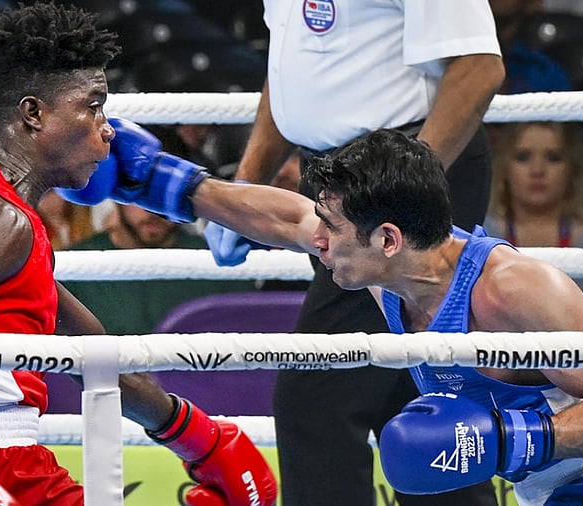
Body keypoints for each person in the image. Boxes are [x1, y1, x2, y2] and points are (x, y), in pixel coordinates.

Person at [88, 118, 583, 505]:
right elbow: (285, 217)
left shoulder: (514, 289)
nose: (316, 242)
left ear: (387, 238)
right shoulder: (387, 269)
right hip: (549, 493)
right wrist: (167, 184)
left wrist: (511, 440)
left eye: (332, 229)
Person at [0, 3, 277, 506]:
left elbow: (93, 356)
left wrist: (199, 437)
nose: (109, 129)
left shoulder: (12, 223)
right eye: (93, 105)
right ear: (33, 113)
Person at [203, 2, 506, 504]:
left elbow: (479, 65)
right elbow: (295, 74)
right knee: (419, 388)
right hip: (334, 175)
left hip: (410, 166)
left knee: (317, 398)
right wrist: (247, 183)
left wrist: (402, 188)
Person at [484, 121, 583, 293]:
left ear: (573, 169)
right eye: (523, 157)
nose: (537, 170)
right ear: (503, 167)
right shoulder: (479, 237)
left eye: (553, 157)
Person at [63, 201, 257, 336]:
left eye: (162, 195)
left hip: (206, 393)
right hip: (106, 392)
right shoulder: (73, 266)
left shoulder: (221, 264)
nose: (152, 210)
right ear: (116, 196)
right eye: (139, 195)